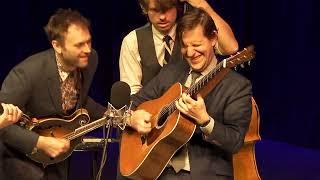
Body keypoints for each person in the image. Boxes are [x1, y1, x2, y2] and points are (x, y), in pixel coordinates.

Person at [123, 8, 252, 179]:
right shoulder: (172, 73)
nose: (190, 53)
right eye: (185, 46)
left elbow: (235, 142)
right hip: (159, 171)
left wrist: (205, 121)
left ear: (213, 38)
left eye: (197, 45)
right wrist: (132, 117)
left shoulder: (237, 86)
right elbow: (134, 102)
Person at [0, 9, 106, 180]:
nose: (87, 49)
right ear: (57, 46)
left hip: (57, 155)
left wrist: (114, 115)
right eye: (79, 45)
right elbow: (2, 124)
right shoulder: (27, 73)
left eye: (89, 42)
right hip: (19, 159)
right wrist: (40, 143)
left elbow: (78, 100)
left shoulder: (90, 59)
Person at [119, 0, 239, 94]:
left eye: (167, 9)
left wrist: (202, 5)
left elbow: (231, 48)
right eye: (155, 10)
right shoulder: (132, 41)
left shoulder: (193, 33)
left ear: (177, 6)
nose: (162, 17)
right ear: (144, 9)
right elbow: (132, 91)